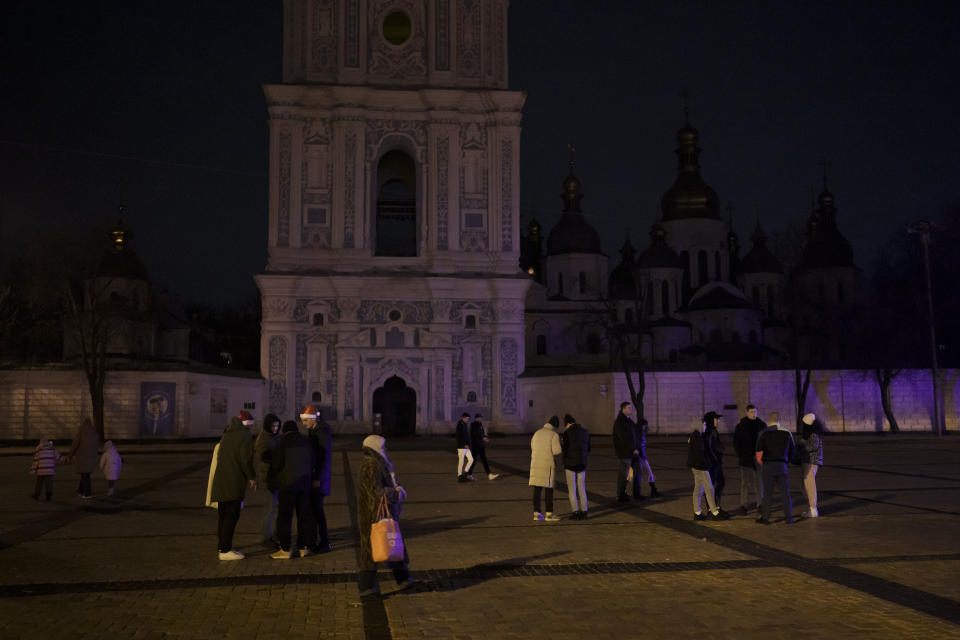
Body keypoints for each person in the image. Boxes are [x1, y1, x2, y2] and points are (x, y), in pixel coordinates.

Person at [357, 434, 414, 597]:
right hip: (373, 515)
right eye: (382, 446)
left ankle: (404, 579)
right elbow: (375, 493)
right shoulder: (370, 465)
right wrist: (395, 493)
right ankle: (366, 587)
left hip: (383, 513)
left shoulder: (379, 463)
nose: (385, 449)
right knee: (372, 550)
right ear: (374, 447)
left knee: (392, 543)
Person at [210, 410, 257, 560]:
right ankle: (225, 551)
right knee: (232, 515)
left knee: (223, 515)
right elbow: (245, 460)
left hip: (221, 480)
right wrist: (251, 477)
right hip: (234, 481)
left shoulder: (227, 434)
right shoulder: (245, 436)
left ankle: (222, 546)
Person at [269, 420, 316, 559]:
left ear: (284, 430)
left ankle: (285, 548)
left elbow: (276, 464)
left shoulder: (282, 443)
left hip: (288, 486)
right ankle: (303, 547)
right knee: (303, 517)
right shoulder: (306, 441)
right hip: (305, 484)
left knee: (285, 518)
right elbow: (313, 461)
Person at [755, 411, 796, 525]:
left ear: (769, 420)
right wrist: (787, 462)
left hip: (768, 465)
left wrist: (763, 463)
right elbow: (793, 450)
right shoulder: (787, 433)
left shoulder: (764, 433)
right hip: (782, 465)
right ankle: (789, 518)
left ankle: (766, 518)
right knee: (785, 493)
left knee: (768, 493)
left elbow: (759, 453)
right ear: (779, 420)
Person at [304, 406, 333, 553]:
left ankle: (324, 542)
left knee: (317, 511)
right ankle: (315, 541)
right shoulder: (314, 430)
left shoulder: (321, 432)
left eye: (305, 420)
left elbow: (321, 457)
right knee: (314, 510)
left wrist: (316, 477)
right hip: (317, 477)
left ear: (312, 419)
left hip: (319, 479)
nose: (303, 423)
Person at [688, 414, 729, 521]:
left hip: (696, 466)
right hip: (701, 467)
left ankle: (697, 513)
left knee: (698, 489)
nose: (705, 426)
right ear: (699, 425)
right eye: (704, 424)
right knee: (709, 489)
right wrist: (706, 464)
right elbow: (700, 453)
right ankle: (714, 512)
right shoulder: (697, 437)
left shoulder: (695, 436)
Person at [733, 404, 766, 515]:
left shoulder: (761, 425)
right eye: (751, 412)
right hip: (745, 458)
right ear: (747, 413)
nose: (753, 414)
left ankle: (760, 504)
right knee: (745, 483)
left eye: (755, 411)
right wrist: (741, 454)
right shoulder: (741, 426)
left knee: (759, 482)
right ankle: (743, 505)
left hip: (758, 458)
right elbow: (736, 442)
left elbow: (766, 441)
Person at [529, 415, 563, 521]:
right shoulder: (553, 434)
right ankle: (549, 514)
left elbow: (532, 446)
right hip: (547, 465)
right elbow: (557, 451)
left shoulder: (537, 433)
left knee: (537, 489)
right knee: (549, 489)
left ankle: (536, 513)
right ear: (555, 426)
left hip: (535, 464)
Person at [254, 413, 281, 548]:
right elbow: (261, 457)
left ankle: (277, 533)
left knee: (275, 507)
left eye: (277, 426)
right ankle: (266, 536)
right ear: (268, 425)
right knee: (269, 509)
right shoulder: (264, 439)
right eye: (273, 426)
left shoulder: (275, 437)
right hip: (268, 477)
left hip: (276, 477)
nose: (275, 428)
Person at [561, 413, 590, 519]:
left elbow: (564, 448)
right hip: (582, 463)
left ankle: (575, 512)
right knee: (582, 487)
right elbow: (589, 448)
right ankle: (584, 511)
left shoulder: (566, 433)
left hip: (570, 464)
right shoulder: (585, 432)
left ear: (568, 423)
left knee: (572, 489)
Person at [612, 402, 642, 502]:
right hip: (625, 453)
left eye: (630, 408)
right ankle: (620, 495)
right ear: (623, 409)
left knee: (638, 471)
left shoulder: (629, 421)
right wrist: (633, 448)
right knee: (623, 474)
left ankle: (637, 494)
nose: (630, 410)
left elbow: (635, 435)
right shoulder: (619, 422)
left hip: (634, 453)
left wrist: (637, 448)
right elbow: (623, 438)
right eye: (629, 408)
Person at [67, 417, 100, 500]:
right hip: (91, 459)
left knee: (85, 476)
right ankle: (80, 491)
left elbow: (75, 445)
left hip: (82, 458)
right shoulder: (95, 433)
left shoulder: (81, 432)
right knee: (85, 474)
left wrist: (70, 456)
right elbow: (96, 447)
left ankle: (88, 493)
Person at [702, 411, 727, 516]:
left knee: (720, 482)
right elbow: (708, 447)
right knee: (710, 486)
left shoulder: (714, 431)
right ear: (711, 421)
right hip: (712, 464)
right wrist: (715, 458)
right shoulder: (708, 432)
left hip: (716, 463)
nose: (718, 421)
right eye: (716, 419)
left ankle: (716, 506)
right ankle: (710, 509)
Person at [799, 413, 824, 518]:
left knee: (809, 485)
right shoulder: (813, 433)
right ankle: (811, 507)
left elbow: (813, 446)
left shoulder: (813, 434)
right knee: (806, 484)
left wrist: (803, 443)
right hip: (809, 461)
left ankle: (813, 509)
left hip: (811, 462)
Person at [466, 413, 500, 480]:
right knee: (482, 460)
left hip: (481, 445)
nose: (480, 419)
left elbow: (482, 433)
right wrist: (482, 438)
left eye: (481, 418)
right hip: (476, 445)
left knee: (476, 460)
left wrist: (484, 437)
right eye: (479, 418)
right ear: (476, 418)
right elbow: (475, 435)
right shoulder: (473, 425)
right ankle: (489, 475)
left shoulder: (480, 424)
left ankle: (469, 474)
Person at [29, 435, 63, 501]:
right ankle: (48, 495)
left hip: (41, 470)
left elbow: (35, 462)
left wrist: (32, 470)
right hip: (49, 470)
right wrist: (65, 459)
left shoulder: (39, 451)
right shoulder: (52, 449)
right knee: (49, 483)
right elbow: (59, 457)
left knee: (39, 483)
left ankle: (36, 494)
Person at [635, 418, 660, 498]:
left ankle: (653, 489)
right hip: (640, 457)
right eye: (644, 426)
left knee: (648, 473)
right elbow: (638, 445)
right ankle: (652, 490)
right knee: (646, 473)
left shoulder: (641, 433)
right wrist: (641, 456)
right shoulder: (638, 434)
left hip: (642, 456)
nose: (645, 427)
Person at [455, 413, 474, 482]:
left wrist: (468, 444)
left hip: (466, 446)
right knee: (461, 461)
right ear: (463, 418)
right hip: (461, 446)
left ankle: (465, 473)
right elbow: (459, 436)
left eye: (468, 419)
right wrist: (464, 444)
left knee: (471, 459)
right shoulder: (460, 424)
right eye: (467, 418)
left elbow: (466, 435)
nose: (467, 420)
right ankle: (460, 476)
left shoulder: (464, 424)